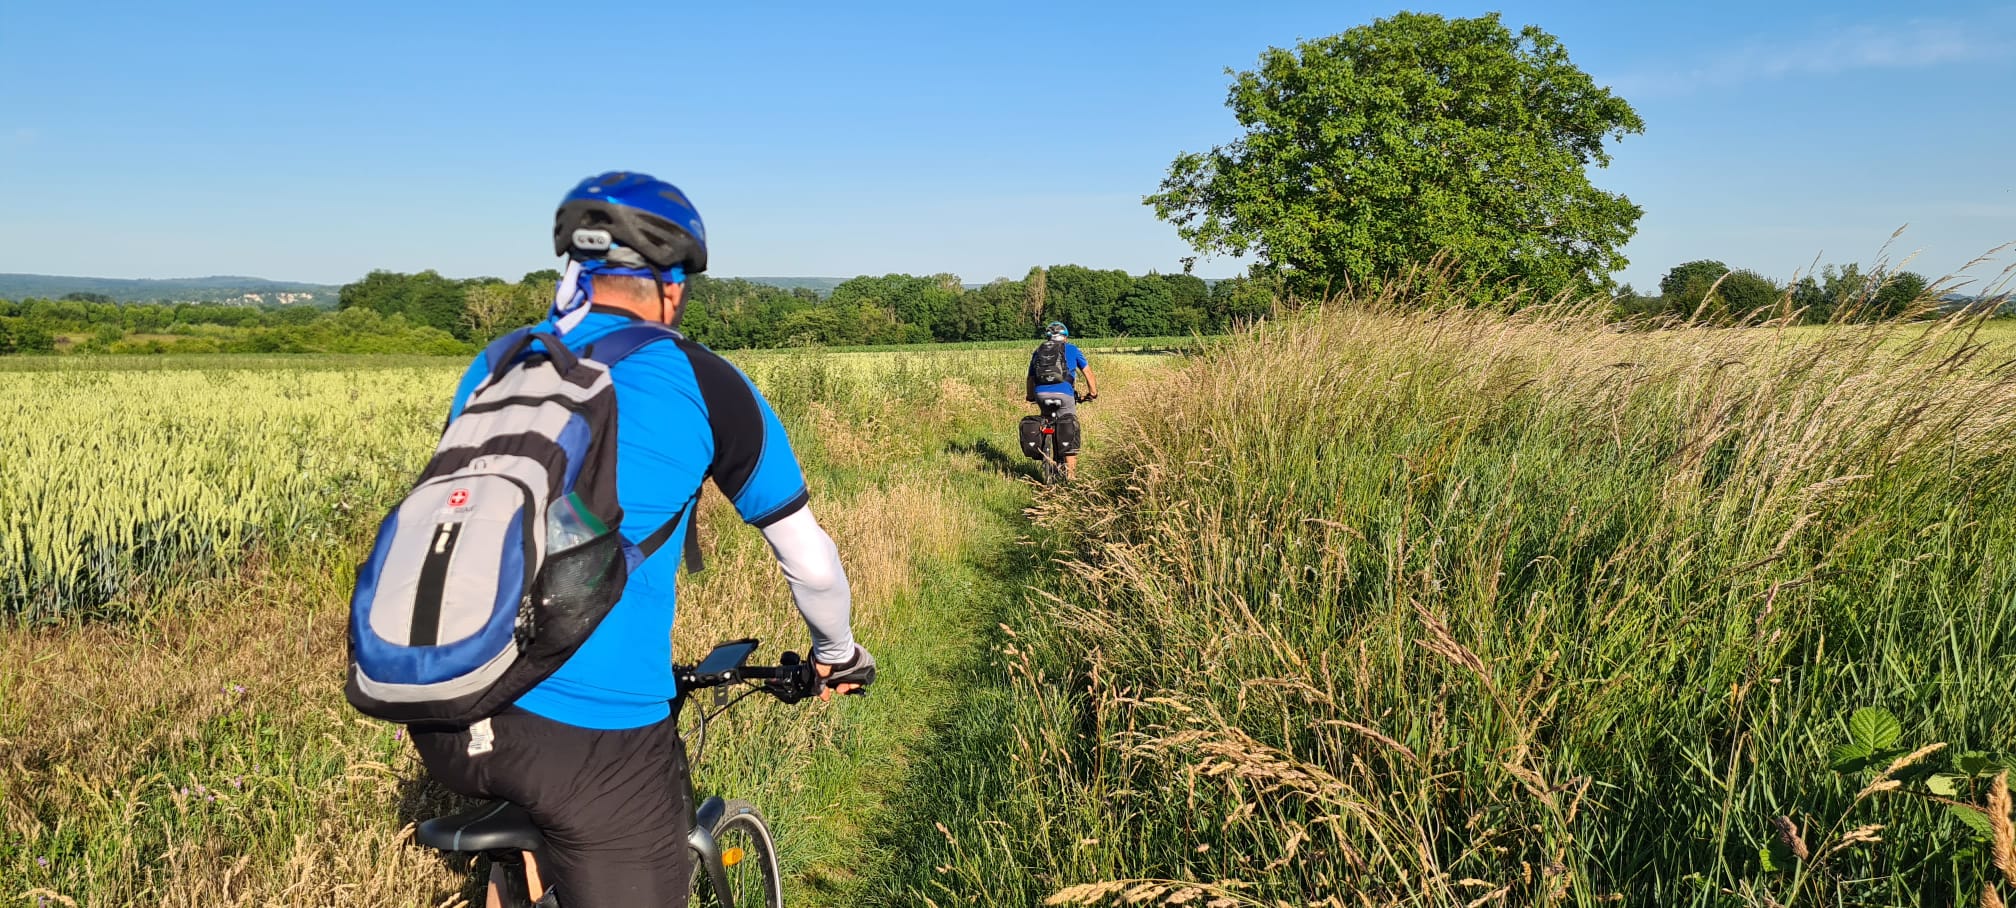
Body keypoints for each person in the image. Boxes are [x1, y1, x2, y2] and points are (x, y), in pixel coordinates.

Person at [408, 171, 876, 907]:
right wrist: (837, 653)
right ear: (674, 285)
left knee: (538, 860)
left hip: (443, 699)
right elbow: (810, 562)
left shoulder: (500, 362)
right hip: (589, 729)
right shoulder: (701, 379)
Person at [1025, 320, 1098, 478]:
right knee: (1068, 424)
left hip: (1041, 394)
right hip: (1064, 394)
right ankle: (1071, 477)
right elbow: (1088, 373)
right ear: (1065, 337)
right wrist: (1093, 393)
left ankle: (1045, 448)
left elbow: (1030, 378)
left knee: (1045, 419)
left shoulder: (1038, 351)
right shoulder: (1072, 349)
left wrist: (1031, 396)